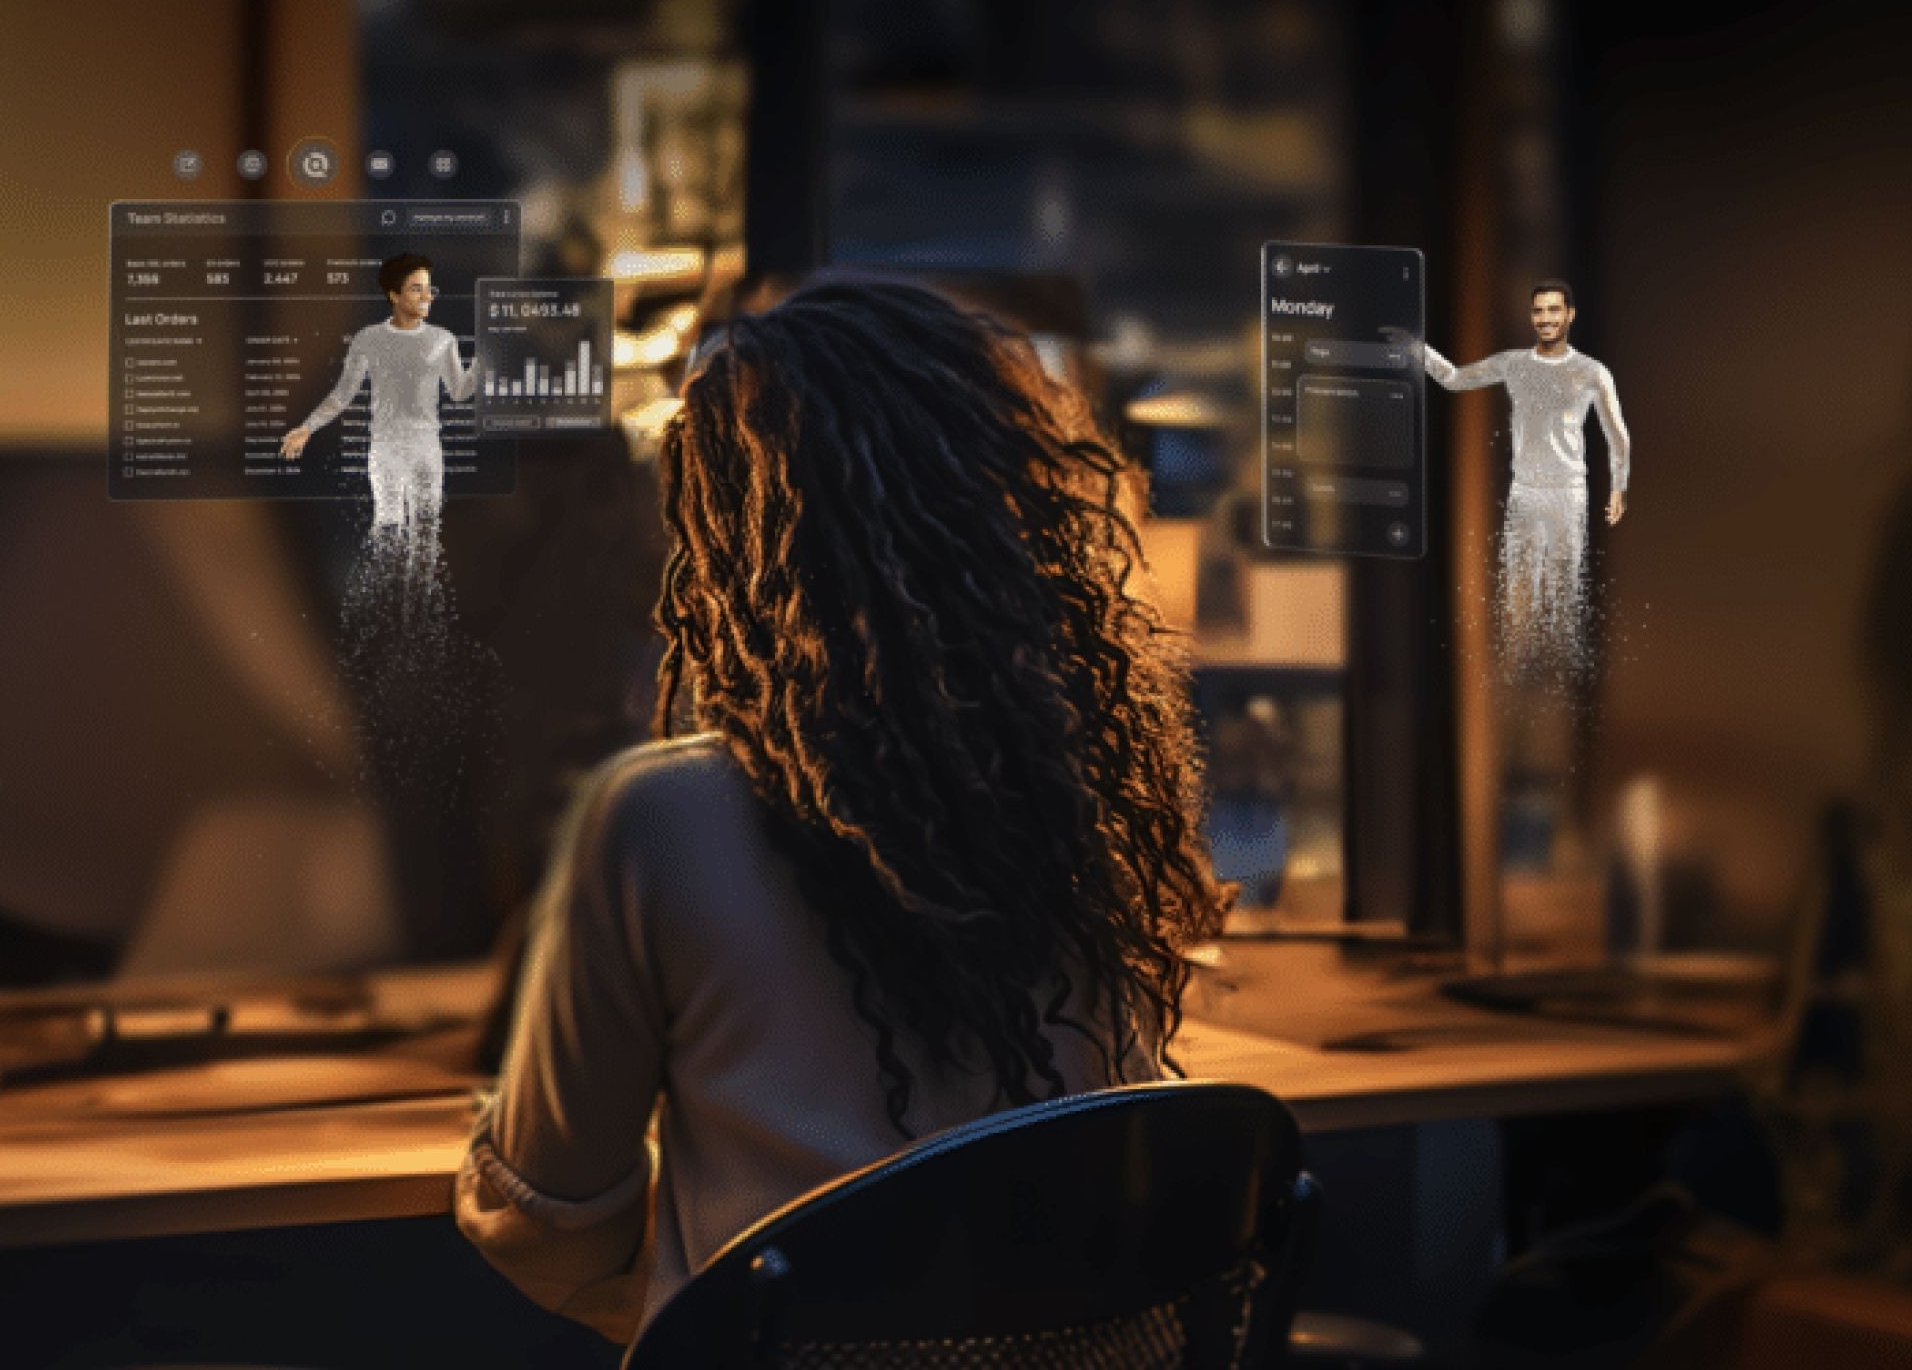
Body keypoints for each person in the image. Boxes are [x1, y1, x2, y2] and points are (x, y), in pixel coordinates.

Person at [455, 278, 1228, 1345]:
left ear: (728, 536)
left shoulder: (660, 822)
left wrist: (698, 1310)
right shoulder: (1085, 790)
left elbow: (547, 1216)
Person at [1408, 280, 1631, 680]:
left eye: (1553, 310)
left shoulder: (1591, 372)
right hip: (1524, 492)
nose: (1545, 319)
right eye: (1538, 311)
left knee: (1564, 589)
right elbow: (1455, 378)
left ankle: (1564, 679)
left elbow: (1617, 434)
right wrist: (1415, 348)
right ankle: (1514, 676)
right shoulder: (1514, 363)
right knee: (1518, 591)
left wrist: (1619, 486)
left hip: (1568, 492)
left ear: (1570, 314)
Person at [278, 252, 479, 539]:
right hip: (386, 448)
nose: (425, 297)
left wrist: (489, 355)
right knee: (388, 530)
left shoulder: (442, 338)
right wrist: (308, 427)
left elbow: (459, 390)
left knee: (426, 532)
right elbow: (342, 395)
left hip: (427, 446)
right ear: (394, 295)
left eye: (428, 289)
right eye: (416, 289)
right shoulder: (368, 339)